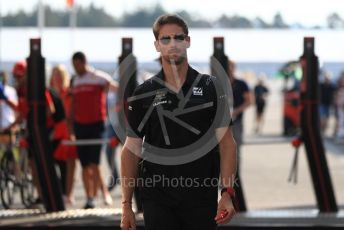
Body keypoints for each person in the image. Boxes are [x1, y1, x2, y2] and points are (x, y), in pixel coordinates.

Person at [121, 14, 237, 230]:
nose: (172, 44)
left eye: (178, 37)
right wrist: (126, 204)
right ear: (157, 45)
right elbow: (131, 148)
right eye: (165, 39)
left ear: (188, 41)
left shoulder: (211, 87)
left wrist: (227, 193)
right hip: (157, 197)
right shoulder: (143, 93)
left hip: (201, 196)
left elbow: (227, 143)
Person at [70, 51, 118, 209]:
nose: (76, 68)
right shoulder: (75, 81)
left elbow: (117, 89)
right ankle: (89, 197)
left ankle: (104, 193)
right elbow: (72, 105)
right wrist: (71, 126)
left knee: (94, 163)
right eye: (74, 65)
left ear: (84, 62)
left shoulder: (99, 77)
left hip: (96, 125)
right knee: (84, 165)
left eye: (78, 65)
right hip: (80, 125)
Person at [49, 65, 78, 205]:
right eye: (55, 75)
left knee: (67, 166)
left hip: (65, 134)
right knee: (53, 165)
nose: (57, 78)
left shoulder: (69, 93)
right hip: (53, 134)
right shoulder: (50, 93)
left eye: (60, 75)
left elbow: (70, 116)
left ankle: (68, 193)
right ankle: (59, 192)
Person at [335, 74, 344, 143]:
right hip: (341, 109)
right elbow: (337, 101)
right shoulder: (340, 90)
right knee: (341, 122)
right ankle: (339, 137)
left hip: (341, 108)